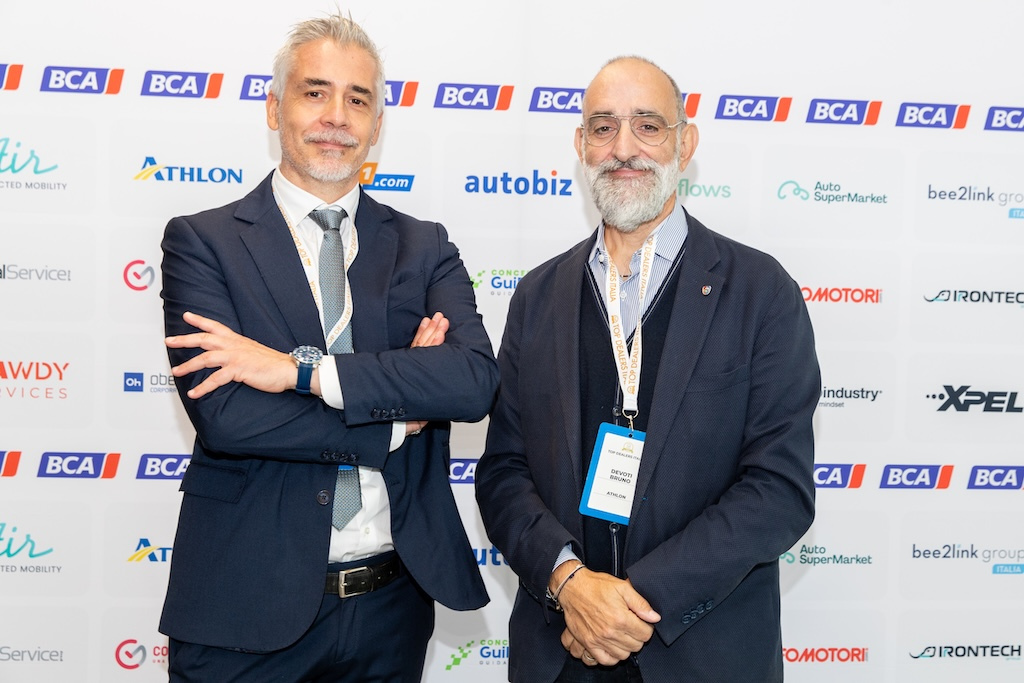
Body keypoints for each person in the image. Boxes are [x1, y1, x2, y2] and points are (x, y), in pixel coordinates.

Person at [157, 14, 498, 682]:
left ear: (377, 123)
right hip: (243, 610)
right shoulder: (204, 242)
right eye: (315, 92)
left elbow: (470, 381)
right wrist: (396, 416)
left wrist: (298, 372)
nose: (336, 116)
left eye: (357, 99)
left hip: (392, 608)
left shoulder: (424, 245)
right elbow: (228, 416)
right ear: (274, 107)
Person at [475, 56, 820, 683]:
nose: (624, 148)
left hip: (703, 656)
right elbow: (503, 472)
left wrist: (630, 605)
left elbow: (778, 490)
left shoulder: (761, 292)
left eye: (648, 126)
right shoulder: (537, 296)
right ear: (580, 145)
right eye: (603, 127)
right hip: (559, 653)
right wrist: (570, 584)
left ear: (685, 144)